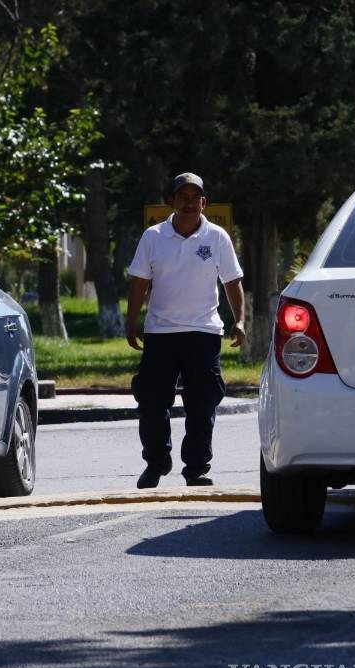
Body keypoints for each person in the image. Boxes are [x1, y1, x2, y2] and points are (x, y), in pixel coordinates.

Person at [125, 173, 245, 489]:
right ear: (172, 202)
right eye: (183, 197)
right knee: (151, 403)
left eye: (196, 197)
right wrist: (131, 320)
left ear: (204, 202)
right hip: (160, 334)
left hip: (203, 333)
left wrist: (240, 320)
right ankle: (156, 462)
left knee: (202, 405)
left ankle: (196, 468)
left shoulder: (217, 237)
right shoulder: (153, 237)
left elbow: (232, 281)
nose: (190, 203)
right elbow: (139, 281)